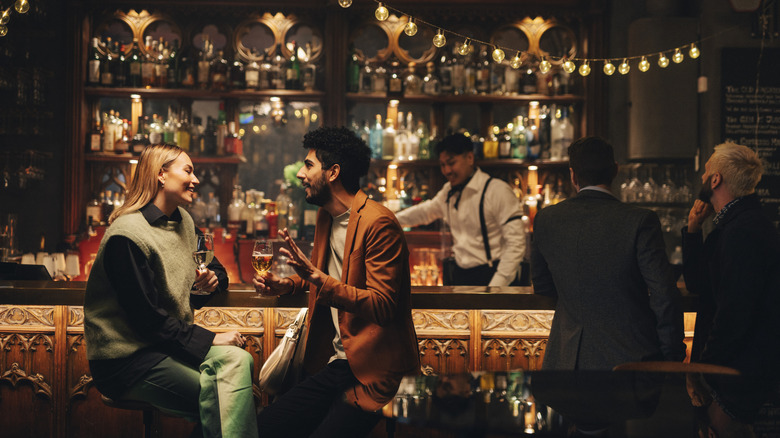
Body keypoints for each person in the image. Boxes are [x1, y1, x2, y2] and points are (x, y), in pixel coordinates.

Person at [253, 126, 420, 438]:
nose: (300, 174)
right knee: (263, 427)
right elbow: (320, 274)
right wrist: (286, 285)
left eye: (308, 165)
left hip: (374, 371)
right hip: (335, 363)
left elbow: (383, 306)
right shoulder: (326, 216)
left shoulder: (378, 223)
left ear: (333, 172)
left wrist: (319, 279)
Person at [83, 144, 257, 438]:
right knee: (224, 395)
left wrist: (210, 280)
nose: (196, 180)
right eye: (188, 171)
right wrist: (211, 338)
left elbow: (218, 270)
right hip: (128, 361)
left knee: (243, 360)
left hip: (165, 347)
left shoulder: (183, 221)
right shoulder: (127, 235)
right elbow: (147, 319)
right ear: (161, 175)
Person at [531, 136, 686, 371]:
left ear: (573, 175)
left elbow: (543, 287)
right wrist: (672, 356)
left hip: (565, 363)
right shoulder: (640, 220)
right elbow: (664, 293)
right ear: (615, 170)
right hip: (630, 362)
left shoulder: (546, 218)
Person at [682, 142, 780, 433]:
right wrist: (692, 230)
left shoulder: (742, 231)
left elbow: (734, 312)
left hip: (737, 373)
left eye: (707, 169)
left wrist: (707, 366)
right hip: (734, 371)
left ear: (716, 180)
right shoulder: (736, 225)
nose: (702, 176)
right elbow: (701, 284)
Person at [394, 133, 526, 286]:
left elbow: (516, 244)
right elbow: (425, 212)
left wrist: (496, 287)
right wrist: (388, 219)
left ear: (470, 158)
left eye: (451, 163)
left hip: (492, 275)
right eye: (443, 165)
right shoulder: (448, 192)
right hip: (459, 276)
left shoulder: (497, 191)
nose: (447, 170)